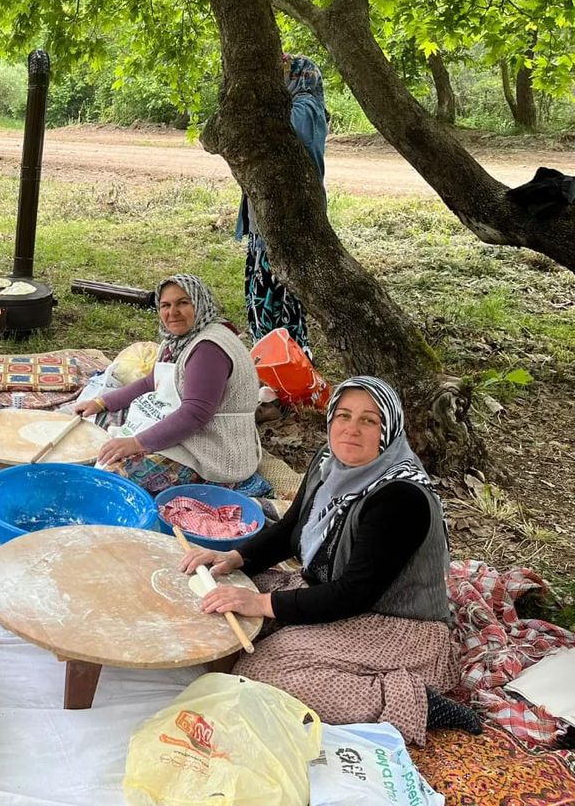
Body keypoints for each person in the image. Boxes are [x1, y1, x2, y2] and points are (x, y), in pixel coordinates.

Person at [180, 376, 476, 746]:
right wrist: (235, 558)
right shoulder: (328, 460)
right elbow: (292, 527)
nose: (352, 430)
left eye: (369, 420)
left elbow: (354, 594)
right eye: (344, 415)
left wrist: (260, 603)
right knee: (223, 599)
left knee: (261, 668)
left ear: (390, 430)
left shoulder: (400, 497)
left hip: (393, 622)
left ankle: (415, 702)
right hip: (330, 590)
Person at [75, 274, 267, 495]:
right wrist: (101, 402)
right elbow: (152, 381)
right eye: (165, 305)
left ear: (199, 303)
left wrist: (137, 443)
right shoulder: (178, 341)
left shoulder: (209, 349)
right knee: (95, 422)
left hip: (209, 448)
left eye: (183, 303)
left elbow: (195, 414)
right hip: (182, 425)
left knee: (114, 476)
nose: (172, 312)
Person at [235, 53, 327, 357]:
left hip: (292, 214)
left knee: (285, 287)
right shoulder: (288, 106)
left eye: (285, 74)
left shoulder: (307, 107)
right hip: (268, 212)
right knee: (263, 282)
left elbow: (284, 131)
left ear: (300, 76)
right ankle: (266, 349)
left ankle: (290, 353)